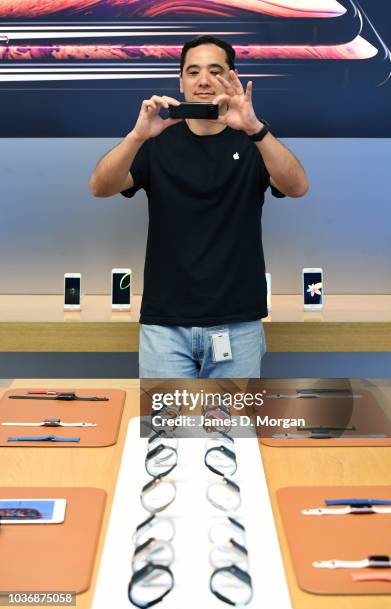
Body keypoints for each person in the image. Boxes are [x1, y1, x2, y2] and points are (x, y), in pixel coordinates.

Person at [90, 35, 308, 379]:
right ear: (181, 81)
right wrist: (137, 136)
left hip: (238, 325)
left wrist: (254, 127)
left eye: (214, 71)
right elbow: (100, 187)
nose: (203, 80)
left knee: (231, 432)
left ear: (231, 77)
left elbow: (297, 186)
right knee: (166, 433)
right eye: (193, 72)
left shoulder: (253, 140)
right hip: (165, 327)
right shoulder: (156, 140)